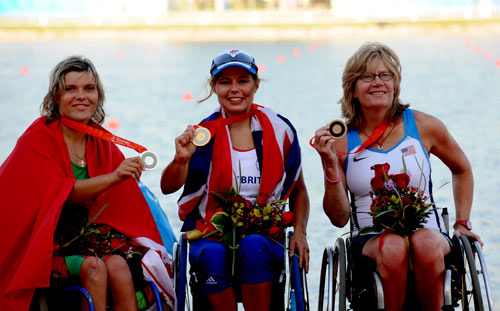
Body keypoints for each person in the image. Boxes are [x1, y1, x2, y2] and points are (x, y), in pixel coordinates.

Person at [312, 42, 482, 311]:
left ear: (395, 83)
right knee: (392, 246)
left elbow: (462, 168)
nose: (377, 82)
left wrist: (462, 223)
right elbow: (338, 218)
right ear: (352, 90)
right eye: (367, 77)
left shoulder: (424, 126)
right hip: (370, 238)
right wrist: (330, 166)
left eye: (385, 75)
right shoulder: (340, 139)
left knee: (423, 241)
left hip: (427, 231)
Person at [0, 56, 174, 311]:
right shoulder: (37, 139)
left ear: (98, 96)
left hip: (89, 245)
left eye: (88, 89)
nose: (81, 96)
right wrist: (114, 177)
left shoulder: (102, 143)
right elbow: (61, 193)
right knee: (94, 268)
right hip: (42, 248)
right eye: (70, 89)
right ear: (55, 98)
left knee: (119, 267)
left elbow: (125, 207)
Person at [161, 49, 310, 311]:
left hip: (265, 234)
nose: (234, 89)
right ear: (214, 87)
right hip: (211, 232)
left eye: (242, 80)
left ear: (255, 85)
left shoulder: (279, 129)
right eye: (225, 82)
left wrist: (300, 233)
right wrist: (181, 160)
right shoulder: (202, 134)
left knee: (253, 245)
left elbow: (298, 190)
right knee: (212, 253)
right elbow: (167, 187)